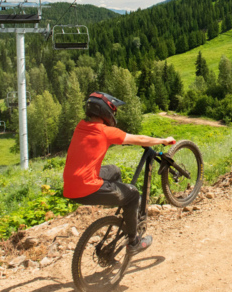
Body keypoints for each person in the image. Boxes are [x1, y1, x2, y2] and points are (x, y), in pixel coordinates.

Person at [63, 91, 175, 256]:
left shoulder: (80, 127)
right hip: (86, 187)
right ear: (105, 111)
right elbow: (141, 140)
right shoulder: (105, 132)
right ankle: (134, 242)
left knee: (114, 171)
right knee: (132, 193)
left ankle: (125, 209)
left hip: (70, 186)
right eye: (113, 110)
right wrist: (163, 141)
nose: (114, 114)